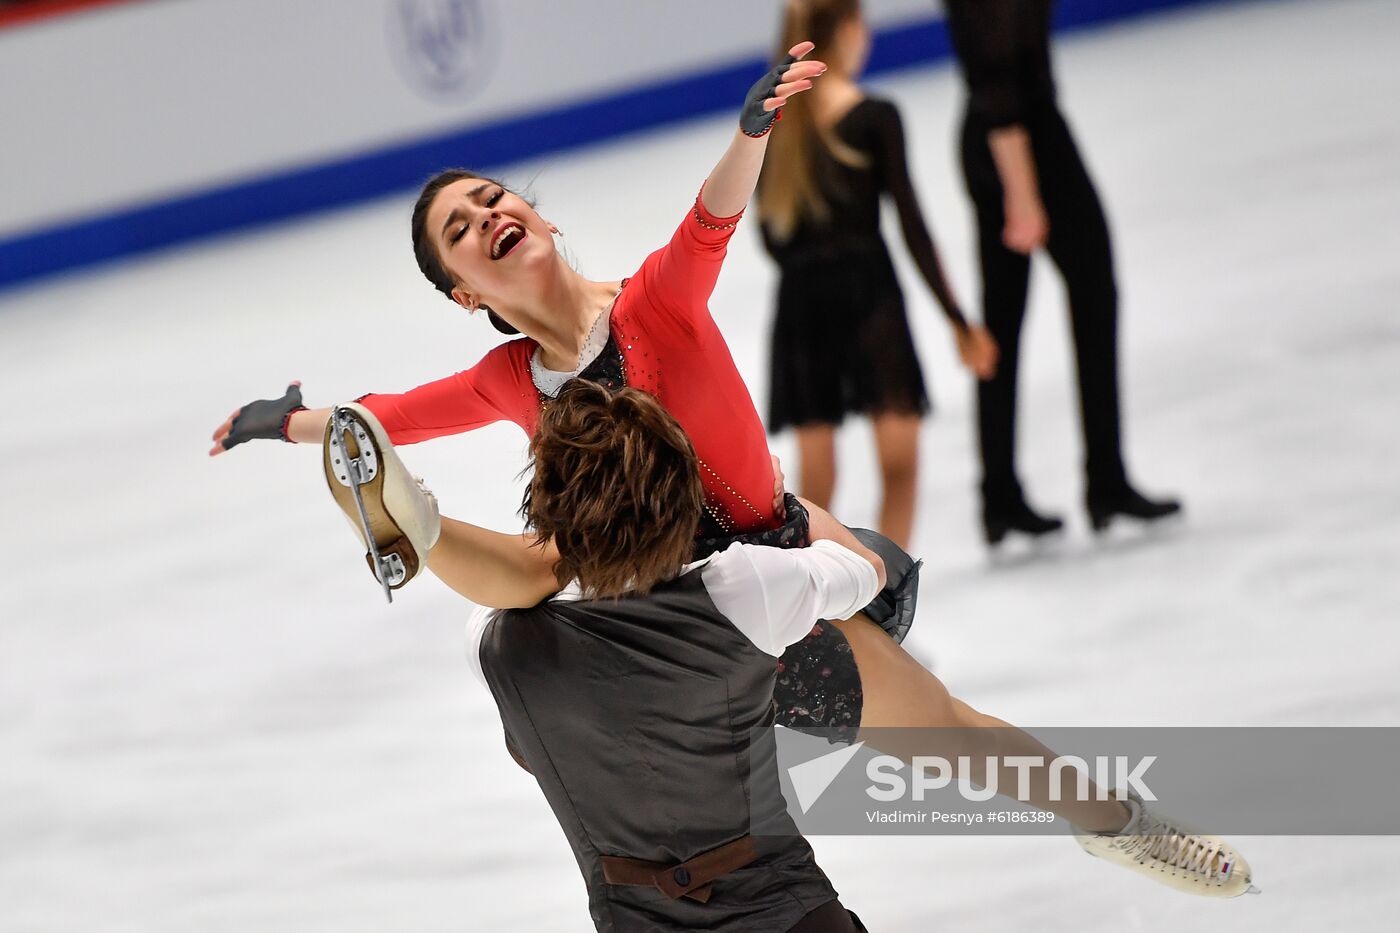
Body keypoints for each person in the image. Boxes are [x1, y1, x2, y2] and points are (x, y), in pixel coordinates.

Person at [212, 43, 1252, 897]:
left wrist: (749, 132)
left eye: (490, 199)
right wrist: (288, 419)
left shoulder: (654, 303)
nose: (486, 214)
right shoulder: (504, 377)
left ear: (541, 219)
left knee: (954, 736)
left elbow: (708, 224)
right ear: (462, 289)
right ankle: (419, 530)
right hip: (657, 621)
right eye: (460, 229)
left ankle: (1115, 823)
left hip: (775, 588)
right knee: (534, 591)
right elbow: (385, 418)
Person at [347, 380, 880, 931]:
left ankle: (431, 530)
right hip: (789, 915)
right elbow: (865, 569)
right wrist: (778, 499)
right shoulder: (745, 587)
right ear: (682, 496)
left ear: (548, 515)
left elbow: (530, 746)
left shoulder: (494, 643)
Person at [757, 0, 996, 550]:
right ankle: (888, 600)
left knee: (816, 483)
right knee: (899, 466)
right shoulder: (873, 117)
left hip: (802, 307)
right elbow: (912, 225)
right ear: (846, 31)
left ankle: (820, 605)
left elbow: (772, 237)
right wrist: (959, 319)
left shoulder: (778, 123)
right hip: (870, 299)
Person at [943, 0, 1181, 545]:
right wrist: (1023, 191)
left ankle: (1000, 494)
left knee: (1003, 318)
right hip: (1022, 141)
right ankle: (1106, 481)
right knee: (1094, 294)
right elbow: (999, 70)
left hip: (997, 135)